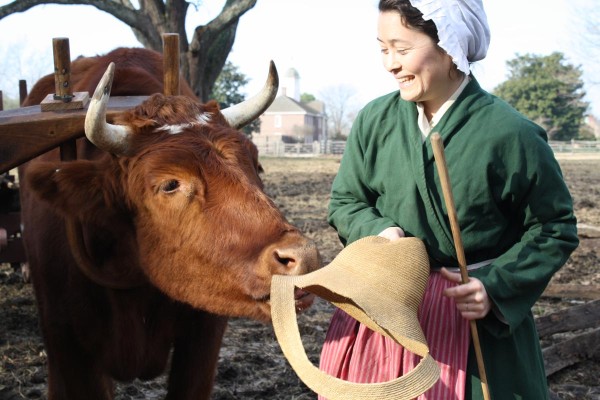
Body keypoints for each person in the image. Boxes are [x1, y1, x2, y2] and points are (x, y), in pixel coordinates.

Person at [318, 0, 579, 399]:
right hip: (388, 312)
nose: (389, 63)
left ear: (450, 46)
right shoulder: (374, 121)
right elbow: (347, 201)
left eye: (402, 49)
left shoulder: (511, 134)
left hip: (472, 323)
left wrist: (495, 287)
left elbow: (553, 227)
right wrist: (380, 233)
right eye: (383, 49)